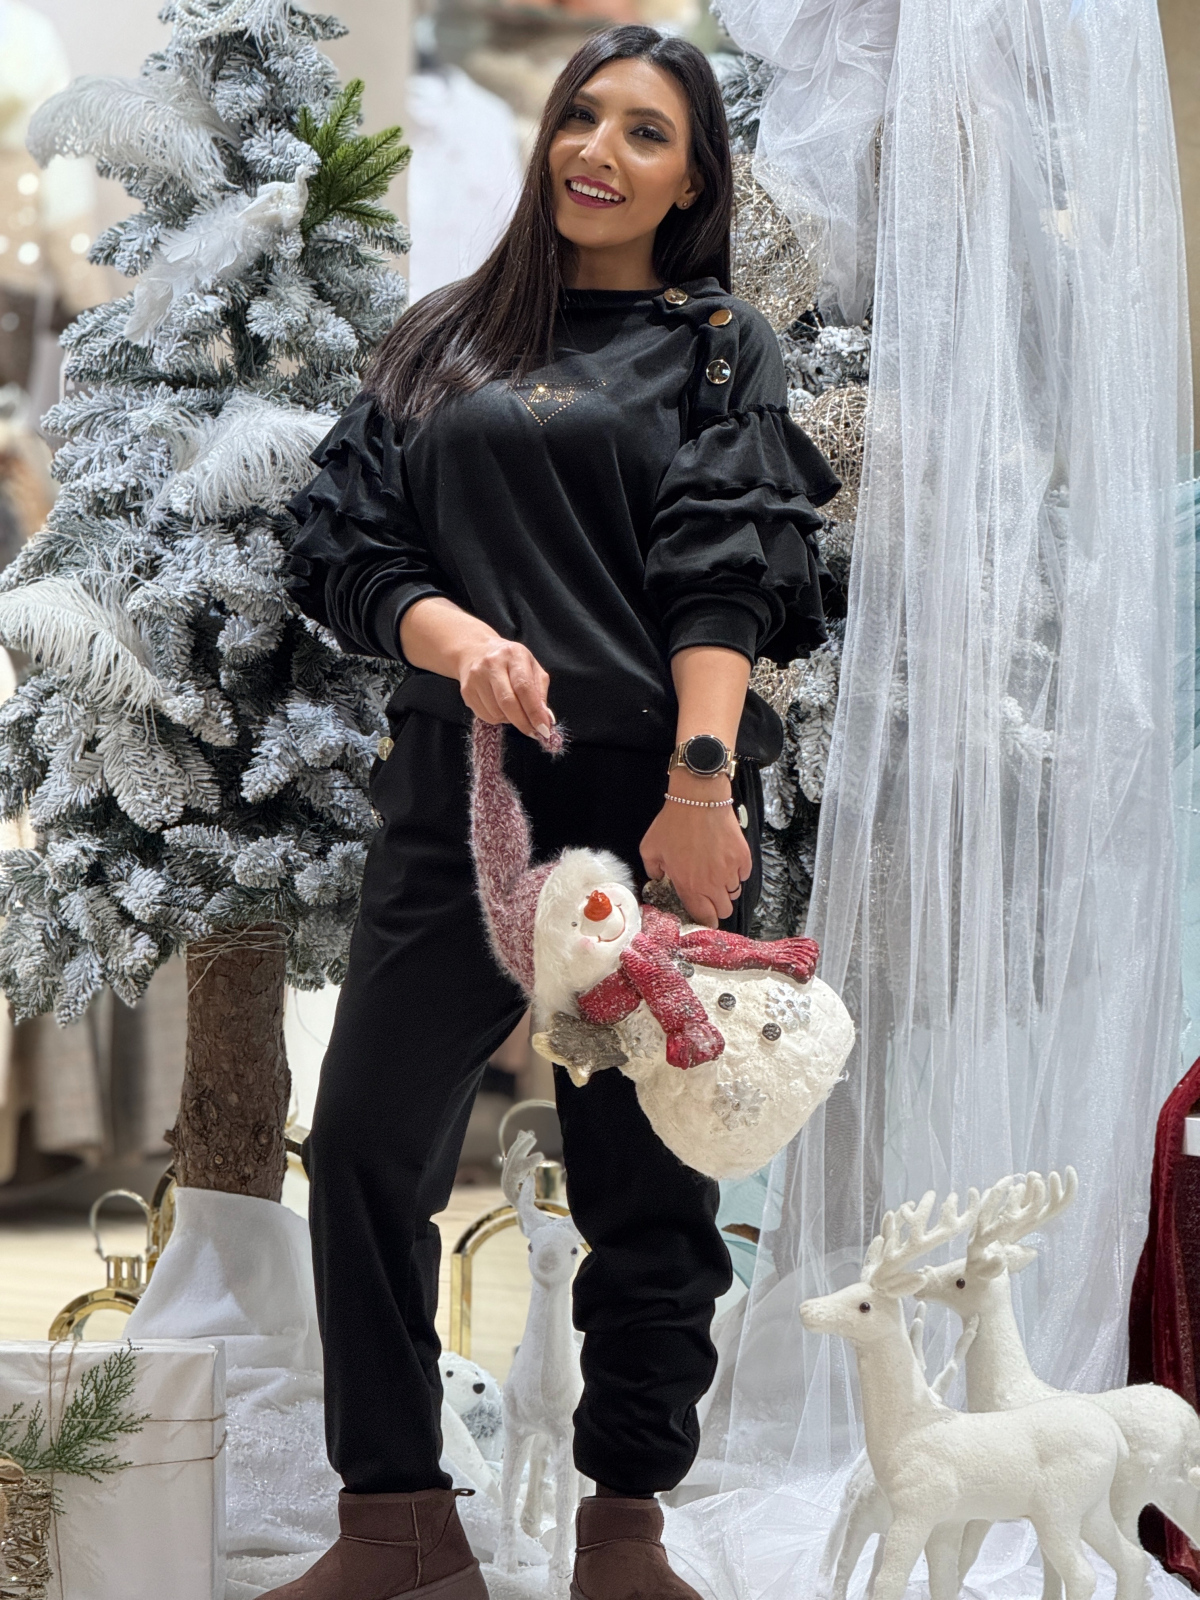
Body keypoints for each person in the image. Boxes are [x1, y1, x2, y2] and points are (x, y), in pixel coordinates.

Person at [271, 25, 839, 1600]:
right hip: (459, 800)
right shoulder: (439, 340)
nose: (599, 149)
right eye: (584, 116)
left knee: (647, 1181)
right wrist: (458, 641)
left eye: (647, 132)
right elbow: (350, 552)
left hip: (648, 808)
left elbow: (727, 573)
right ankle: (396, 1523)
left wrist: (702, 785)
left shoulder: (716, 347)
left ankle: (625, 1528)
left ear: (693, 182)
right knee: (368, 1142)